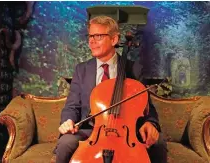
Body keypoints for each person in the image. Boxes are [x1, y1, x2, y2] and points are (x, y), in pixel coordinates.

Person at [55, 15, 167, 163]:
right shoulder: (81, 70)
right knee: (65, 143)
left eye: (98, 36)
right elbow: (72, 105)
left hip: (127, 132)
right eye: (90, 36)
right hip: (90, 132)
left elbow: (147, 107)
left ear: (114, 40)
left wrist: (150, 123)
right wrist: (68, 121)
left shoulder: (133, 69)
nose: (91, 41)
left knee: (158, 143)